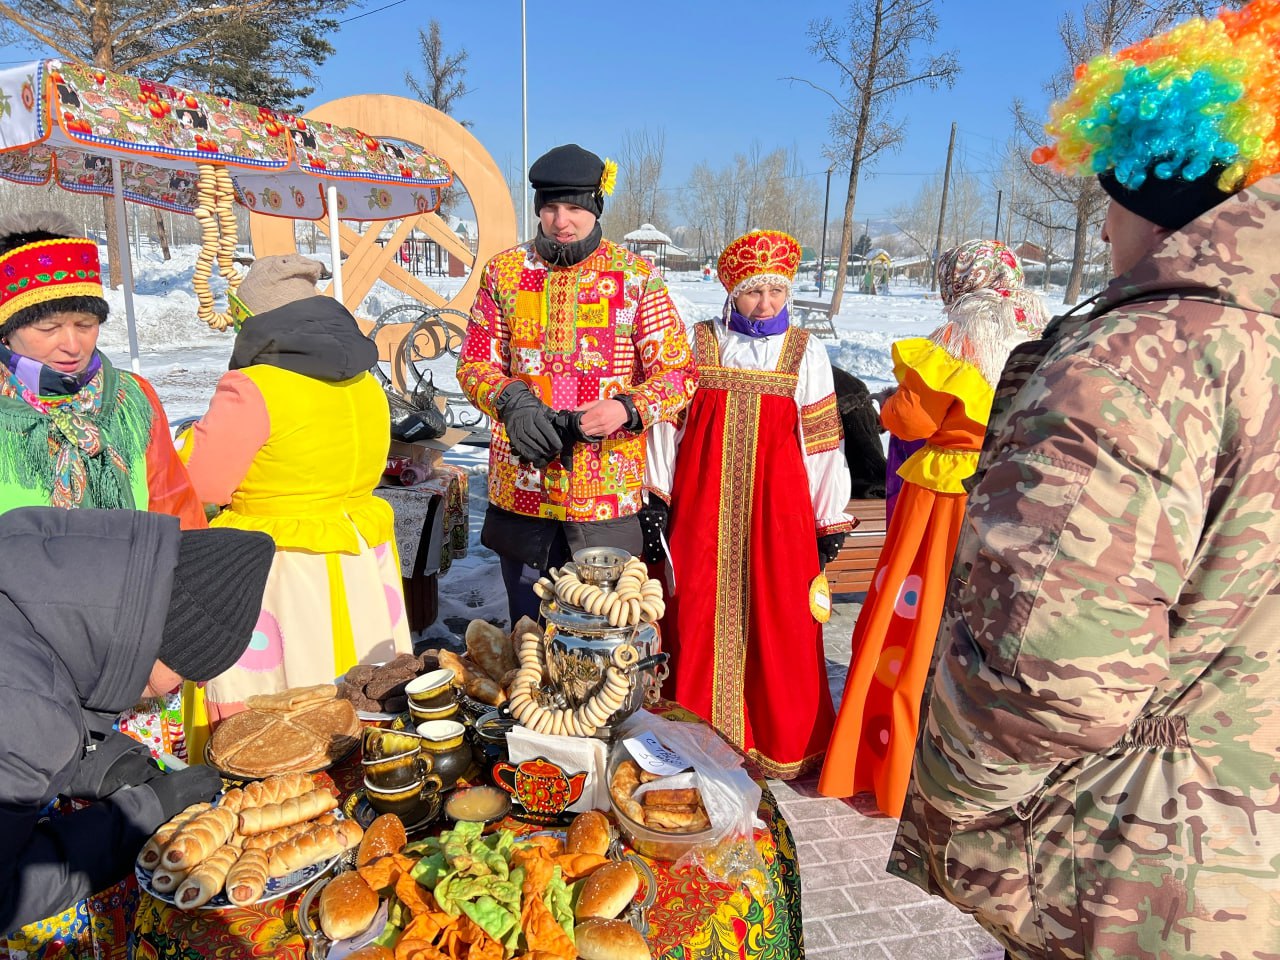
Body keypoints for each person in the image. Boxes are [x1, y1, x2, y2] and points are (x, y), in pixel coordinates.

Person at [890, 5, 1280, 956]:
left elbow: (1046, 678)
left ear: (1148, 190)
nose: (1104, 229)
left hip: (1130, 868)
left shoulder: (1138, 364)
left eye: (1108, 198)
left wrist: (949, 809)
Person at [818, 240, 1047, 816]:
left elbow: (914, 417)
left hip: (949, 491)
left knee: (915, 618)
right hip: (1018, 488)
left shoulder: (960, 334)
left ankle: (893, 761)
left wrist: (892, 405)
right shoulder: (1039, 322)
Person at [0, 505, 273, 936]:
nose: (182, 689)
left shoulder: (30, 573)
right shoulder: (27, 714)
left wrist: (113, 762)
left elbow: (55, 684)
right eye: (185, 674)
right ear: (162, 640)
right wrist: (143, 815)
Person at [457, 143, 696, 627]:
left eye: (573, 208)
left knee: (600, 639)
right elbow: (474, 362)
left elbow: (679, 373)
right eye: (549, 207)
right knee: (528, 632)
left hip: (605, 489)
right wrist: (512, 400)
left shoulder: (636, 278)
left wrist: (627, 409)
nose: (561, 220)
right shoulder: (504, 273)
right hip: (523, 485)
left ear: (595, 207)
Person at [645, 230, 854, 780]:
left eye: (776, 293)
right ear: (731, 292)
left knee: (781, 616)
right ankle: (690, 735)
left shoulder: (806, 351)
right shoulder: (699, 342)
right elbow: (669, 425)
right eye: (753, 293)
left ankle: (777, 741)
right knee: (693, 609)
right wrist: (657, 494)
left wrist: (828, 516)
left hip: (779, 513)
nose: (766, 305)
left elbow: (822, 440)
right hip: (702, 507)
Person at [181, 255, 411, 754]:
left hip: (279, 569)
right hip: (358, 562)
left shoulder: (254, 387)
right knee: (360, 696)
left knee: (282, 718)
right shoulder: (364, 379)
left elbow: (202, 483)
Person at [0, 210, 207, 760]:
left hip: (134, 641)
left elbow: (175, 509)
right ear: (8, 326)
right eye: (47, 328)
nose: (70, 343)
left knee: (143, 815)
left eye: (85, 325)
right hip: (22, 653)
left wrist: (181, 632)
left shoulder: (132, 399)